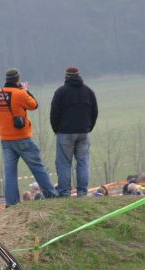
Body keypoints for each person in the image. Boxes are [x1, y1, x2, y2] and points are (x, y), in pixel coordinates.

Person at [0, 68, 58, 207]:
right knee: (37, 166)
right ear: (17, 80)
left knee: (10, 172)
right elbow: (34, 105)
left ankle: (11, 202)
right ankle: (51, 195)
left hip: (5, 139)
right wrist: (26, 90)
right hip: (22, 138)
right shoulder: (20, 93)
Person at [50, 66, 98, 197]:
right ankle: (82, 192)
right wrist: (88, 128)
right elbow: (94, 112)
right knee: (83, 162)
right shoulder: (88, 92)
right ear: (79, 75)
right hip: (83, 132)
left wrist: (56, 129)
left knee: (64, 163)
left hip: (65, 133)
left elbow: (54, 114)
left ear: (66, 76)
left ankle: (65, 193)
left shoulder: (60, 92)